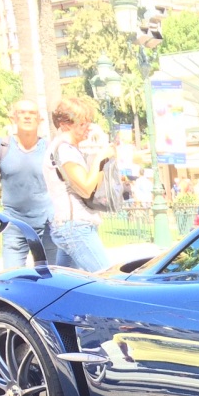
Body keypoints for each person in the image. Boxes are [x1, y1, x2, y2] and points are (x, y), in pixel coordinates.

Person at [0, 100, 57, 268]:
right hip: (14, 225)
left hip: (48, 225)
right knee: (13, 279)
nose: (27, 117)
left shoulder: (50, 148)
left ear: (40, 120)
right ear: (13, 118)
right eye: (22, 113)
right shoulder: (0, 146)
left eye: (32, 113)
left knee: (52, 279)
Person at [48, 96, 113, 272]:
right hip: (75, 226)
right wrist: (100, 157)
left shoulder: (66, 149)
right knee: (108, 280)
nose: (88, 127)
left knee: (65, 288)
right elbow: (85, 188)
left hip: (72, 226)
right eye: (82, 123)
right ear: (64, 124)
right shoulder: (64, 149)